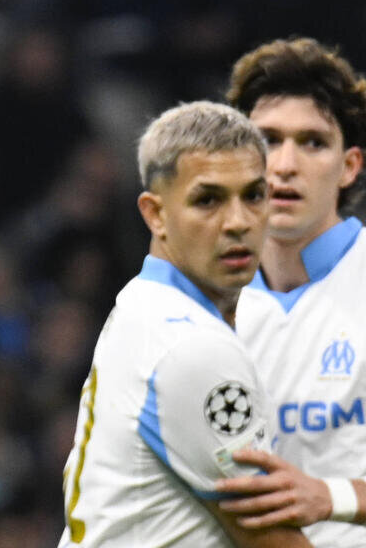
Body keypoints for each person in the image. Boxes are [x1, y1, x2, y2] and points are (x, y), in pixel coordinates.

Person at [58, 100, 311, 547]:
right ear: (155, 214)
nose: (238, 222)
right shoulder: (193, 347)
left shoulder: (142, 304)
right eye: (208, 200)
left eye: (254, 195)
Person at [214, 37, 366, 545]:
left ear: (350, 166)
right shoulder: (195, 305)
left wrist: (332, 498)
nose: (284, 164)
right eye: (268, 139)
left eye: (313, 142)